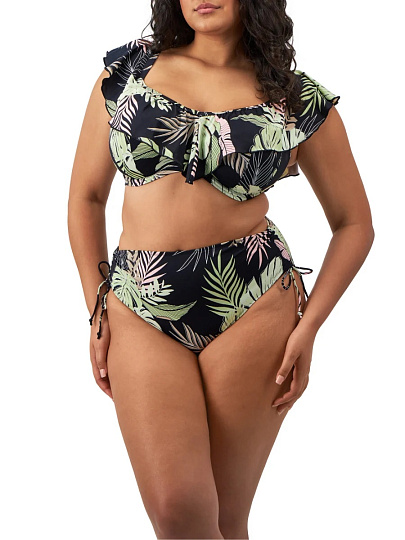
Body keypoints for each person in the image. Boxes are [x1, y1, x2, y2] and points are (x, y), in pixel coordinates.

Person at [68, 1, 374, 538]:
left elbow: (354, 224)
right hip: (139, 300)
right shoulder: (129, 72)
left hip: (254, 300)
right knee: (179, 509)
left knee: (227, 520)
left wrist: (309, 327)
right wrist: (97, 306)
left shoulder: (294, 98)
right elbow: (86, 198)